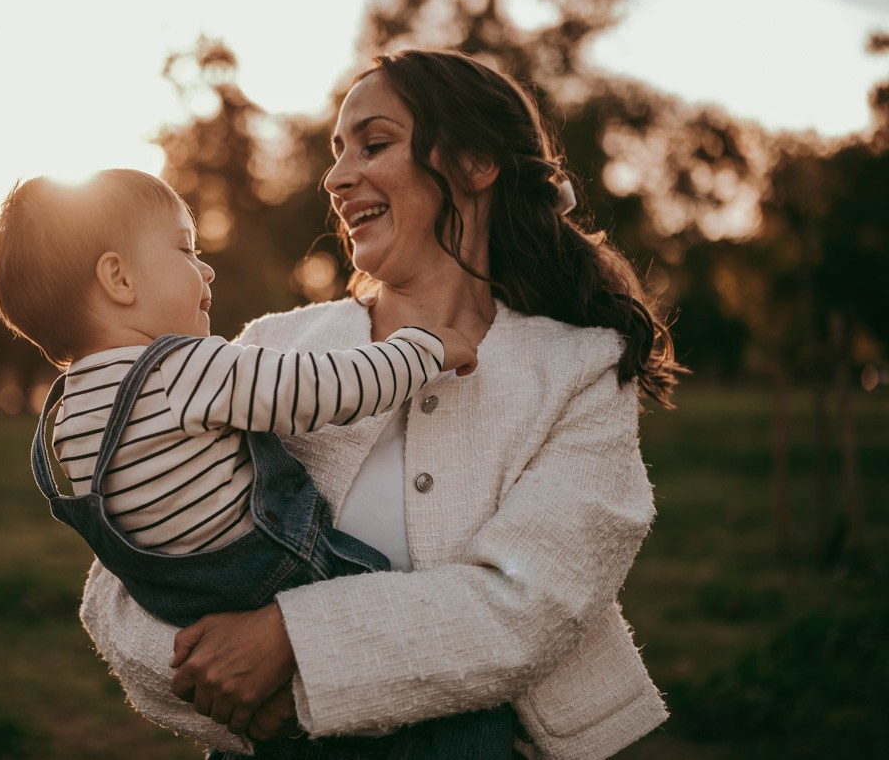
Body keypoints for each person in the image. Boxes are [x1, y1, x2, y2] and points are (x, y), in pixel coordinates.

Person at [79, 48, 685, 760]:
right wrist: (238, 693)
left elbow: (531, 606)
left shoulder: (580, 368)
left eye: (375, 143)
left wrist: (292, 642)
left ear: (477, 164)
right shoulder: (273, 347)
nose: (335, 178)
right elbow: (118, 591)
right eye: (337, 154)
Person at [0, 170, 516, 757]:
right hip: (291, 575)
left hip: (201, 629)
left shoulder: (64, 423)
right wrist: (419, 348)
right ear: (118, 278)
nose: (206, 269)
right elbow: (320, 388)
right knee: (465, 712)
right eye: (185, 249)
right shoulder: (182, 367)